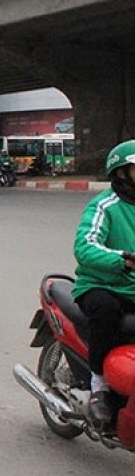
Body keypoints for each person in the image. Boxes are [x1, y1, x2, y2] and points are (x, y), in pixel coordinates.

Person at [73, 140, 135, 430]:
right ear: (121, 173)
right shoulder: (104, 205)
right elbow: (84, 246)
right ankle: (99, 385)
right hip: (100, 284)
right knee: (107, 310)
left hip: (132, 287)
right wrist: (121, 258)